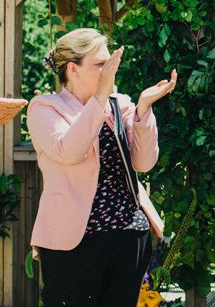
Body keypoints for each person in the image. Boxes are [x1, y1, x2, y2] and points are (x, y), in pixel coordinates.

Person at [27, 28, 176, 307]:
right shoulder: (45, 108)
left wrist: (143, 108)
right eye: (100, 64)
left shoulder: (118, 105)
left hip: (129, 235)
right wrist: (99, 100)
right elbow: (68, 151)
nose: (110, 70)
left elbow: (144, 163)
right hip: (74, 241)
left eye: (110, 62)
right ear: (74, 69)